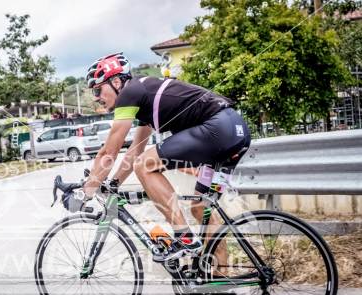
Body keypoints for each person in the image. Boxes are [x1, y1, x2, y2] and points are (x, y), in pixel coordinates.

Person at [63, 53, 251, 263]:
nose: (96, 97)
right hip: (234, 132)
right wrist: (114, 183)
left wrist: (85, 192)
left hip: (217, 130)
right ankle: (221, 277)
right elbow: (135, 149)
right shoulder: (145, 99)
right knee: (201, 208)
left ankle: (184, 239)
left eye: (98, 89)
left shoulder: (130, 93)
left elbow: (109, 152)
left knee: (144, 165)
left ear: (116, 82)